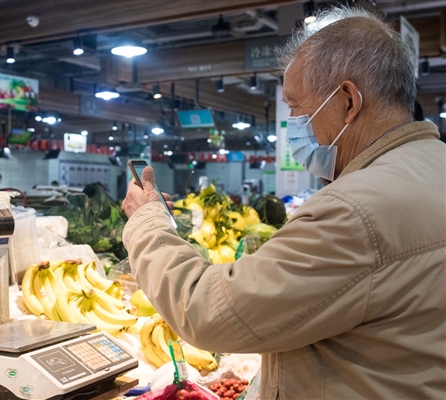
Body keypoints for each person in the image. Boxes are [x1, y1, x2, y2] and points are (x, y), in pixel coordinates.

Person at [121, 7, 445, 399]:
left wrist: (147, 221)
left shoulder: (354, 210)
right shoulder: (433, 167)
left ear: (347, 101)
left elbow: (206, 311)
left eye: (294, 106)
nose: (292, 122)